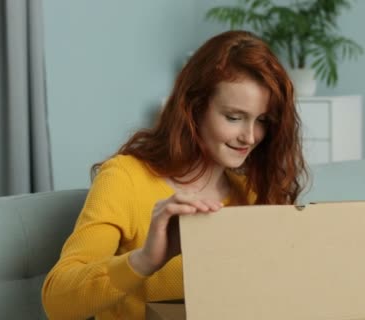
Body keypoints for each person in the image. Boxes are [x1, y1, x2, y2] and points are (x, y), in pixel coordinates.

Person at [42, 30, 307, 320]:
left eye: (262, 121)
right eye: (233, 117)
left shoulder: (253, 192)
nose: (250, 136)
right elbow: (57, 302)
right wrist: (145, 260)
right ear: (194, 109)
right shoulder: (125, 178)